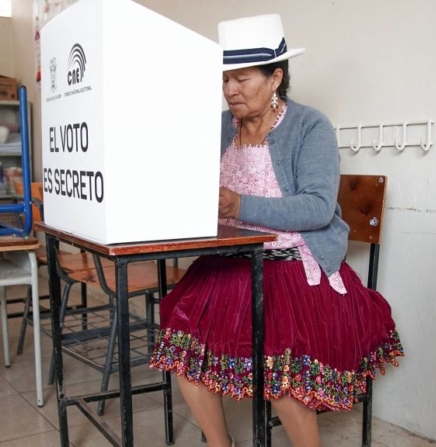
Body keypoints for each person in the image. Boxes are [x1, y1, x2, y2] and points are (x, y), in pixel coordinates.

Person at [149, 14, 403, 447]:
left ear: (275, 78)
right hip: (226, 264)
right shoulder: (218, 127)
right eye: (225, 78)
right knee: (180, 348)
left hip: (290, 266)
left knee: (282, 366)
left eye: (242, 79)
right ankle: (219, 443)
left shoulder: (309, 126)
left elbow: (319, 207)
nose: (230, 89)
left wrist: (239, 204)